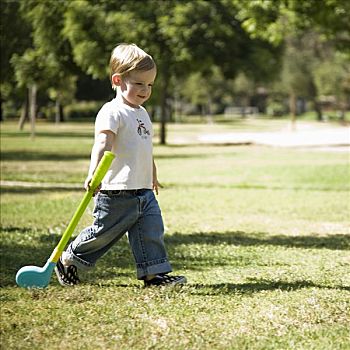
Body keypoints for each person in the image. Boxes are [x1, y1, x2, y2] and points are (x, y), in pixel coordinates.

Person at [55, 43, 186, 287]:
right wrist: (93, 173)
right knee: (104, 232)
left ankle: (153, 275)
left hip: (143, 189)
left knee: (151, 230)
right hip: (116, 190)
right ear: (118, 79)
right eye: (139, 84)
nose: (145, 90)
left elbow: (145, 147)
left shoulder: (142, 113)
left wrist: (152, 175)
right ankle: (70, 258)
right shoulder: (112, 111)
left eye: (149, 85)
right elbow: (102, 143)